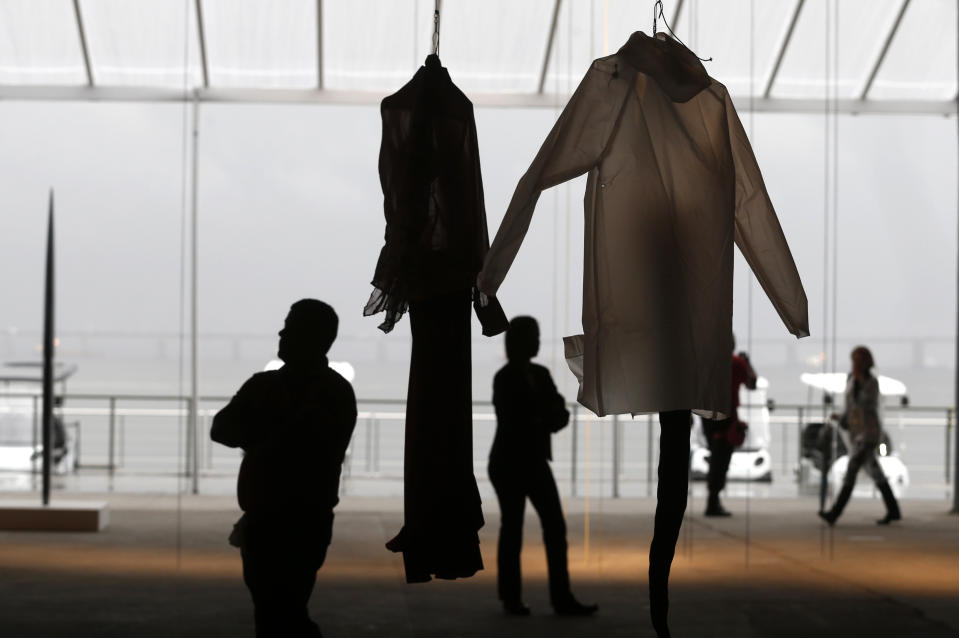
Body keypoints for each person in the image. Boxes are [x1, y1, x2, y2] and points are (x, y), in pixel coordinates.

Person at [211, 299, 357, 637]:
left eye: (290, 326)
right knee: (285, 607)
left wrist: (259, 434)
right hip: (308, 519)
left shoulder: (263, 386)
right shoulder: (338, 392)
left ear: (310, 336)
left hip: (274, 520)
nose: (282, 332)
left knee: (274, 610)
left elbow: (223, 429)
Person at [488, 316, 598, 617]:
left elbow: (547, 414)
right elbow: (551, 414)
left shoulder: (516, 376)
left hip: (521, 459)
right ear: (522, 342)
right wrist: (544, 418)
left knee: (524, 528)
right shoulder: (518, 377)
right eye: (534, 337)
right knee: (528, 528)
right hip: (517, 462)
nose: (538, 342)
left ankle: (524, 598)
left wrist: (539, 418)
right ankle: (553, 599)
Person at [818, 346, 901, 527]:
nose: (854, 364)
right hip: (856, 434)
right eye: (853, 360)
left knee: (852, 469)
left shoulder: (871, 382)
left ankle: (835, 513)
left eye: (857, 360)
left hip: (869, 434)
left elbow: (866, 403)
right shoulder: (851, 380)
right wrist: (840, 417)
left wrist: (858, 382)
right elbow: (849, 406)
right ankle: (893, 510)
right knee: (876, 473)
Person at [700, 334, 757, 517]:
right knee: (721, 460)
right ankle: (713, 500)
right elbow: (752, 383)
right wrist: (748, 363)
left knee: (715, 457)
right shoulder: (736, 363)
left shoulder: (706, 363)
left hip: (707, 415)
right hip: (727, 416)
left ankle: (712, 499)